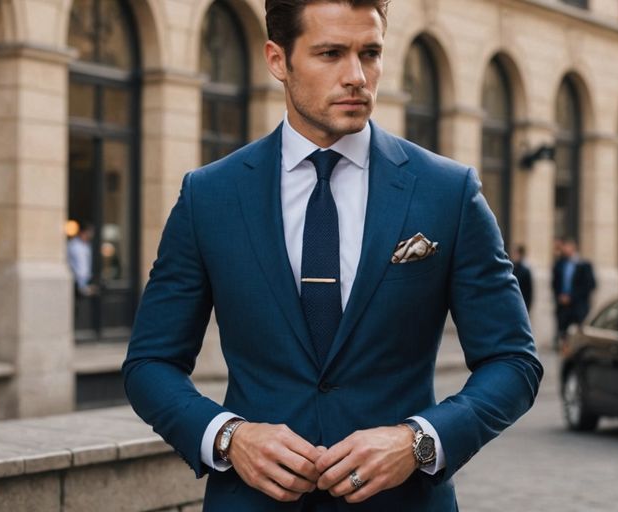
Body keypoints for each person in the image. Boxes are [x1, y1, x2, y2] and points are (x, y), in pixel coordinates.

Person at [122, 1, 542, 510]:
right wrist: (229, 437)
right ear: (278, 60)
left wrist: (419, 441)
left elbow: (513, 361)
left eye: (370, 53)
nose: (357, 76)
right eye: (330, 53)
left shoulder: (447, 192)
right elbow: (150, 362)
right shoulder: (210, 196)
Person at [551, 238, 596, 348]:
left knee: (580, 334)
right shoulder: (559, 264)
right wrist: (560, 297)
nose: (565, 249)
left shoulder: (584, 265)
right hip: (563, 306)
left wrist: (571, 297)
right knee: (563, 335)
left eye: (567, 246)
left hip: (578, 306)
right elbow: (555, 284)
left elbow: (590, 285)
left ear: (573, 247)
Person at [67, 222, 96, 296]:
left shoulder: (87, 246)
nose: (89, 235)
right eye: (88, 232)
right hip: (76, 282)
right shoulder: (73, 245)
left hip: (86, 281)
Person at [511, 244, 533, 312]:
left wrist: (527, 308)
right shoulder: (511, 268)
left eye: (515, 253)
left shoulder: (525, 271)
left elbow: (529, 292)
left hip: (522, 304)